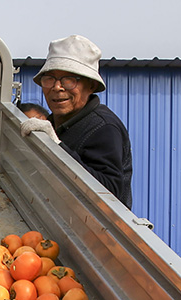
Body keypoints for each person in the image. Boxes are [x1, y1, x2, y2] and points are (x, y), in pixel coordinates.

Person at [26, 34, 132, 208]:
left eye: (69, 80)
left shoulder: (103, 127)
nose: (57, 87)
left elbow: (111, 191)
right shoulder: (57, 121)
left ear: (90, 85)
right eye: (50, 78)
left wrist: (57, 146)